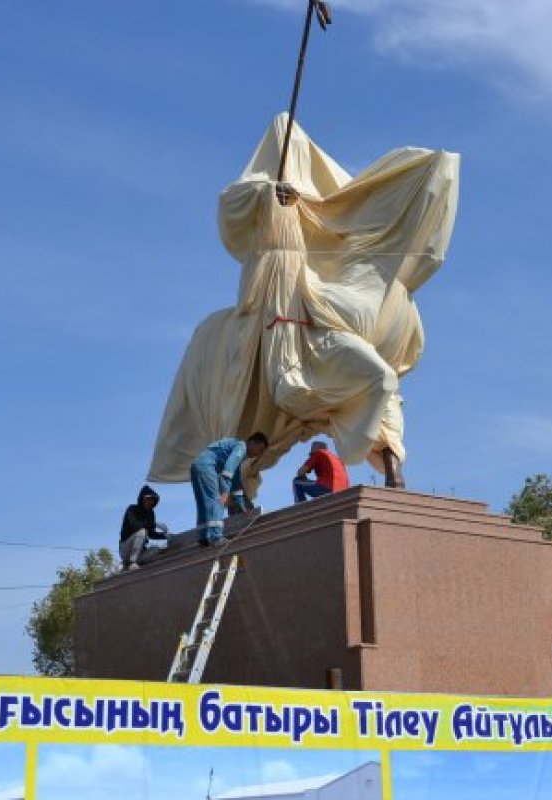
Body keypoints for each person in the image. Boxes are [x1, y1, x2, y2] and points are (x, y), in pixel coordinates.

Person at [148, 114, 459, 495]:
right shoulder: (258, 186)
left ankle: (391, 466)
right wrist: (271, 198)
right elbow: (232, 210)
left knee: (385, 385)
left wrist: (304, 206)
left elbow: (341, 210)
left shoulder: (329, 193)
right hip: (280, 308)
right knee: (309, 382)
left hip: (319, 294)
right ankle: (245, 469)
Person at [191, 433, 268, 546]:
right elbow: (228, 471)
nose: (258, 454)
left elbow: (236, 483)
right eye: (260, 450)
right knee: (217, 501)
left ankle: (203, 537)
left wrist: (242, 505)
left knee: (203, 503)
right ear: (252, 443)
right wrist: (225, 492)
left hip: (197, 465)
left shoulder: (237, 450)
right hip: (208, 466)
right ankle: (216, 537)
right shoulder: (241, 447)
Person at [118, 485, 167, 571]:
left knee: (156, 549)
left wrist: (165, 535)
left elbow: (151, 533)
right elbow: (135, 525)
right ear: (142, 499)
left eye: (152, 500)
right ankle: (131, 562)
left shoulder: (151, 514)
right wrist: (154, 524)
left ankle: (130, 565)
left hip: (139, 551)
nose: (150, 502)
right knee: (142, 532)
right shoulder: (132, 509)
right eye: (148, 499)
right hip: (126, 547)